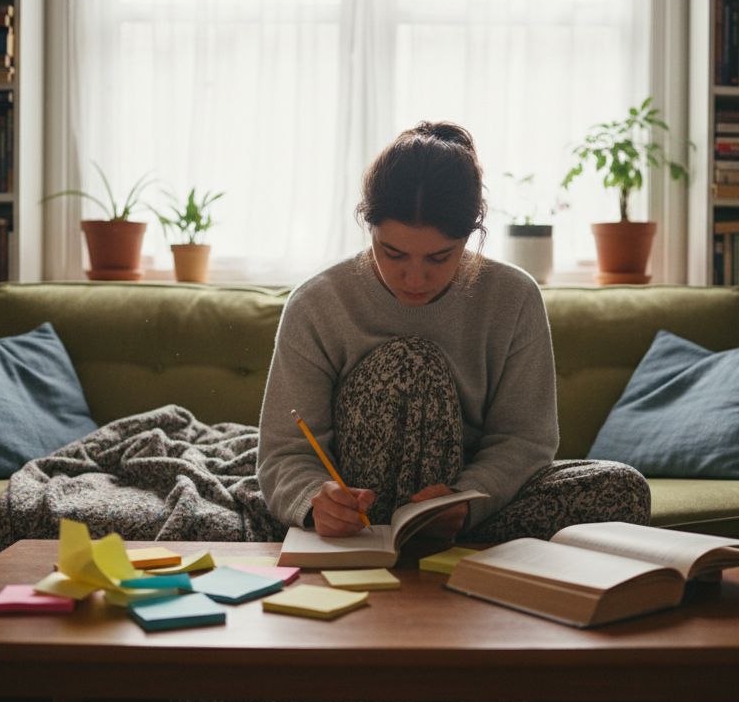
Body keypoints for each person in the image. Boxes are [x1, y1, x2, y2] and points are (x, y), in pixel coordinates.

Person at [257, 120, 650, 549]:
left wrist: (465, 502)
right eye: (393, 253)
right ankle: (408, 538)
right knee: (409, 365)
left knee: (622, 489)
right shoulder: (318, 304)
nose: (414, 277)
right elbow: (284, 453)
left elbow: (526, 440)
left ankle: (428, 537)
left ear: (470, 235)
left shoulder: (514, 298)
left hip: (467, 507)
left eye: (440, 257)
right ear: (369, 226)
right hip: (357, 515)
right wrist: (316, 503)